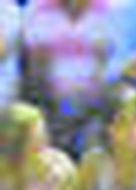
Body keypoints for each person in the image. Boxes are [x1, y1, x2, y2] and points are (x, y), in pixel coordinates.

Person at [19, 0, 117, 137]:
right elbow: (35, 65)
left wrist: (91, 89)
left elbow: (108, 63)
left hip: (95, 98)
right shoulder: (38, 9)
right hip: (51, 98)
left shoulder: (110, 10)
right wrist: (56, 90)